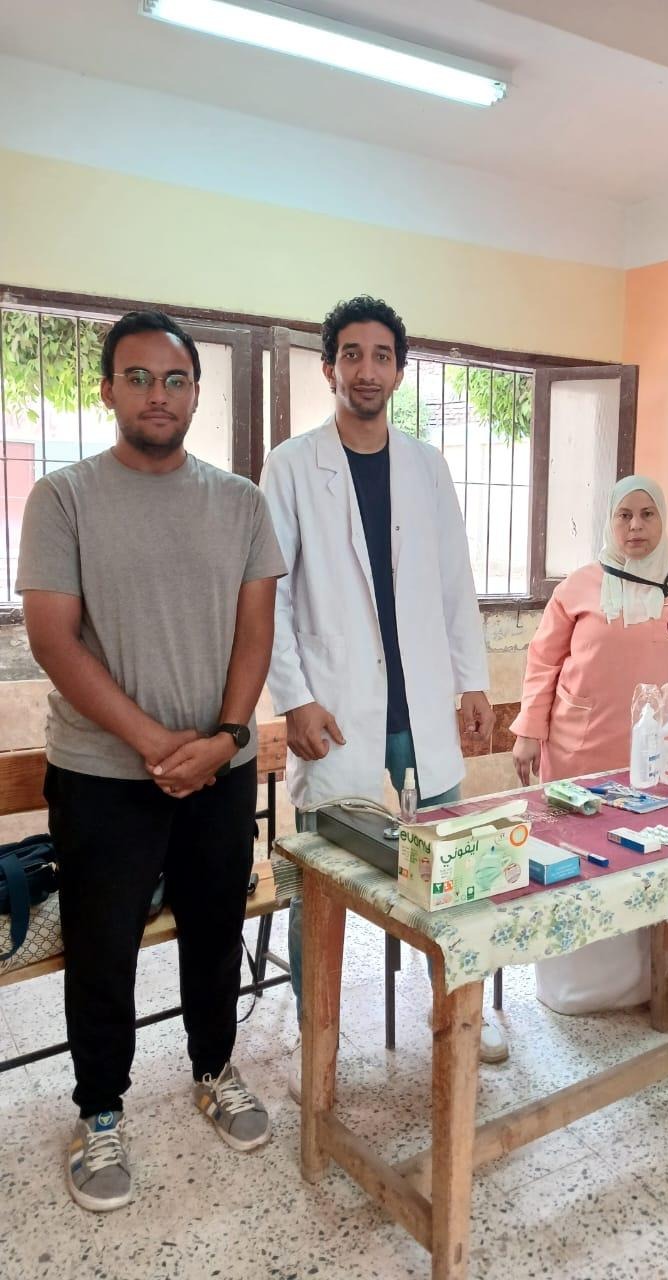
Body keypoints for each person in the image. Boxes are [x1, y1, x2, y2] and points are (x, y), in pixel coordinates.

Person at [16, 311, 287, 1211]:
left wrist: (225, 737)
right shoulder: (63, 499)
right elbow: (54, 640)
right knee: (102, 950)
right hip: (102, 776)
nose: (157, 395)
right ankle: (99, 1110)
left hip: (218, 770)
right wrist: (154, 745)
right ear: (107, 390)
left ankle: (214, 1068)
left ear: (196, 394)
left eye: (174, 380)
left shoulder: (240, 502)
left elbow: (256, 630)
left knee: (215, 927)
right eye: (137, 377)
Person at [260, 295, 502, 1097]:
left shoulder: (427, 466)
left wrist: (472, 680)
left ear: (399, 371)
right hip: (335, 712)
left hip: (422, 709)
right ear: (328, 366)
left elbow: (455, 581)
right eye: (352, 354)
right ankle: (317, 1041)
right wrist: (293, 698)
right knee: (321, 890)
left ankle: (462, 1016)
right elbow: (271, 596)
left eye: (382, 356)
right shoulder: (291, 465)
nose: (367, 370)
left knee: (453, 878)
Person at [511, 475, 668, 1013]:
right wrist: (528, 731)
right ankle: (579, 985)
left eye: (647, 514)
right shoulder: (578, 587)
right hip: (582, 749)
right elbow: (543, 663)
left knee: (662, 855)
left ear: (663, 520)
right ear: (610, 521)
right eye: (624, 515)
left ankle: (656, 977)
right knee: (581, 859)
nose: (635, 526)